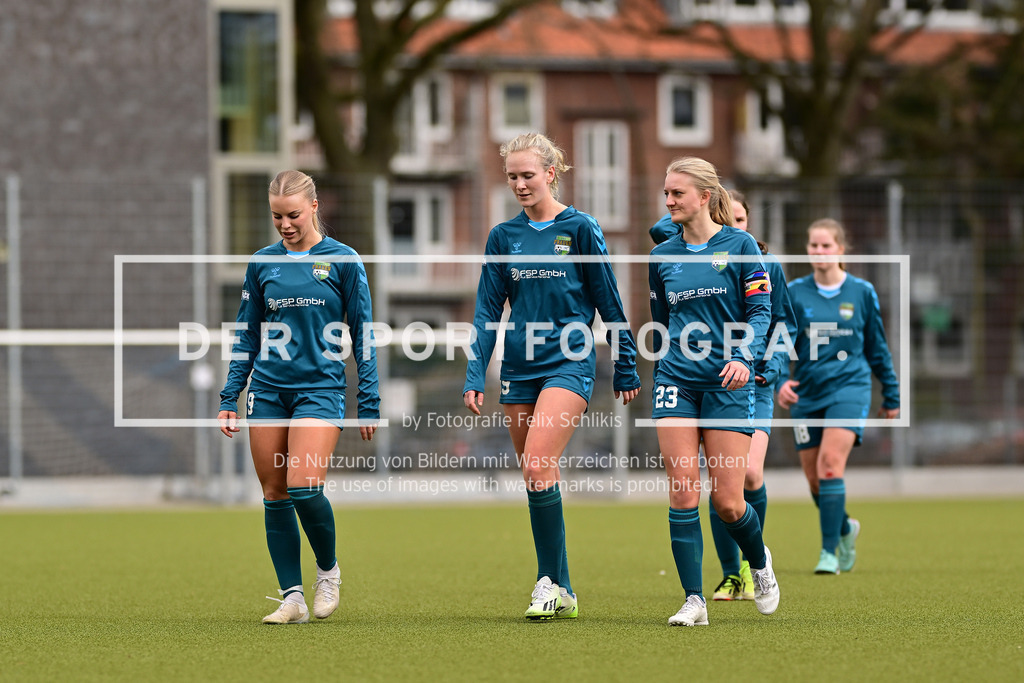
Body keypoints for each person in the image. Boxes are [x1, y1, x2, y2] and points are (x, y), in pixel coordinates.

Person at [463, 132, 642, 621]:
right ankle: (564, 588)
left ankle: (545, 583)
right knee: (537, 474)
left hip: (569, 362)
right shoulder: (504, 237)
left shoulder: (581, 228)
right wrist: (476, 371)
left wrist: (625, 364)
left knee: (537, 464)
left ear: (551, 173)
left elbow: (609, 300)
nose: (520, 184)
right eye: (512, 177)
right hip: (519, 370)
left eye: (528, 175)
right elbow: (486, 313)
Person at [218, 170, 380, 624]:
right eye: (276, 216)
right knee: (274, 492)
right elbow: (247, 333)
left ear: (313, 206)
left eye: (292, 214)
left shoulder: (343, 259)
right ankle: (292, 597)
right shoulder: (262, 262)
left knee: (304, 487)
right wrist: (231, 394)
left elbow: (364, 333)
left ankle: (328, 572)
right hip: (268, 391)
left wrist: (369, 399)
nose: (285, 224)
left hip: (320, 390)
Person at [648, 157, 780, 627]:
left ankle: (759, 563)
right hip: (676, 381)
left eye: (677, 194)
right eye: (665, 194)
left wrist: (744, 359)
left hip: (728, 384)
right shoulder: (661, 256)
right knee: (683, 491)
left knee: (727, 502)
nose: (668, 202)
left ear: (705, 197)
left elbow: (762, 313)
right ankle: (693, 600)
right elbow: (662, 323)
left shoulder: (742, 246)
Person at [776, 218, 900, 575]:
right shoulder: (796, 292)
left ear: (841, 250)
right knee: (815, 479)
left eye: (826, 245)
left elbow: (877, 346)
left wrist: (891, 394)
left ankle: (828, 552)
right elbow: (781, 343)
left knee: (831, 464)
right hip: (806, 394)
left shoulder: (861, 292)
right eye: (813, 246)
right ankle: (845, 527)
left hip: (850, 388)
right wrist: (781, 380)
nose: (819, 252)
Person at [706, 190, 796, 602]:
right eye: (726, 219)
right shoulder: (701, 257)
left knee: (750, 474)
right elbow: (660, 231)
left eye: (740, 219)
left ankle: (752, 560)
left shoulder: (766, 264)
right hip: (714, 380)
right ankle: (731, 575)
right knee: (719, 481)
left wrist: (770, 368)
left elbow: (784, 325)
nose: (734, 227)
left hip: (756, 383)